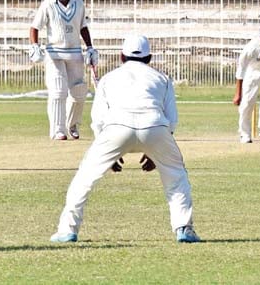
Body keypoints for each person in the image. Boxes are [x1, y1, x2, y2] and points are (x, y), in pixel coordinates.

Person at [50, 34, 200, 244]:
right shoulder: (163, 79)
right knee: (176, 177)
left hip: (116, 127)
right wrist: (155, 151)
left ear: (122, 56)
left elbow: (98, 120)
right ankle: (184, 228)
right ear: (149, 58)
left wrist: (109, 152)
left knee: (84, 178)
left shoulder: (109, 78)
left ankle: (67, 230)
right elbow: (171, 120)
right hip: (155, 126)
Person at [29, 0, 98, 140]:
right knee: (58, 91)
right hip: (54, 53)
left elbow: (83, 27)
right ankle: (57, 130)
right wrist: (35, 46)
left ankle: (72, 125)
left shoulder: (78, 4)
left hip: (74, 52)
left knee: (79, 91)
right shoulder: (47, 5)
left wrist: (89, 47)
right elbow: (34, 27)